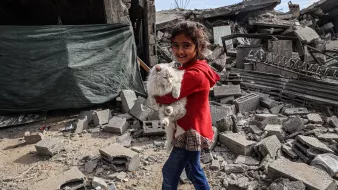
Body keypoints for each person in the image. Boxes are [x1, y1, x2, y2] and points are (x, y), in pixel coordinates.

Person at [156, 21, 220, 190]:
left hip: (190, 132)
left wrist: (155, 90)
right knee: (193, 169)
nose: (179, 51)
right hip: (193, 126)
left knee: (169, 172)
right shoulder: (197, 66)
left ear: (197, 47)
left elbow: (165, 97)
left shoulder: (194, 74)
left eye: (186, 45)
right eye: (175, 46)